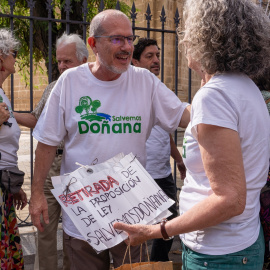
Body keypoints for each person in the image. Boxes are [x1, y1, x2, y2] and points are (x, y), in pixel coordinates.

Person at [29, 9, 190, 270]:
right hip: (85, 220)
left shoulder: (145, 81)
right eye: (117, 39)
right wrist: (36, 193)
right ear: (93, 44)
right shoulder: (70, 82)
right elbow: (47, 142)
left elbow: (182, 114)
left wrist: (216, 107)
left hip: (132, 218)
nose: (127, 47)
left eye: (129, 38)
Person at [114, 1, 270, 269]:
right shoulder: (245, 87)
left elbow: (230, 199)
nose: (184, 40)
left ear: (207, 37)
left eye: (188, 31)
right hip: (240, 244)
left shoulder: (216, 96)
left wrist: (156, 231)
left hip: (218, 253)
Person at [14, 32, 88, 270]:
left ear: (83, 60)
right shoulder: (54, 87)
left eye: (68, 61)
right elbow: (37, 120)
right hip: (51, 166)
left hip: (78, 169)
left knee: (75, 232)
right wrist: (9, 115)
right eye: (59, 61)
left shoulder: (95, 90)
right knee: (43, 227)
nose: (62, 66)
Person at [132, 37, 185, 262]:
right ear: (135, 62)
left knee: (168, 227)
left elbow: (167, 134)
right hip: (142, 173)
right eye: (149, 56)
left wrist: (179, 161)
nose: (156, 60)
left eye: (157, 55)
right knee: (143, 229)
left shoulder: (162, 89)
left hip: (163, 174)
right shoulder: (131, 92)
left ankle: (158, 265)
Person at [0, 28, 27, 270]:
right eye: (14, 53)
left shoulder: (2, 94)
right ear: (1, 58)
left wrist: (14, 185)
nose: (16, 58)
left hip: (4, 187)